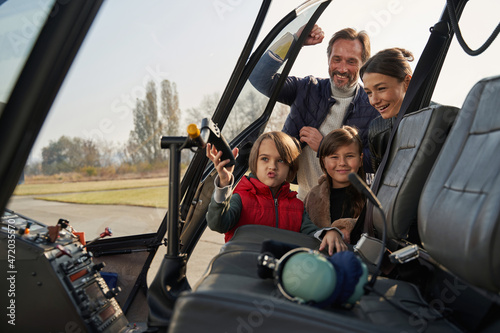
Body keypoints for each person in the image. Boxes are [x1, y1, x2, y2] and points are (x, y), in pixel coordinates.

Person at [250, 26, 379, 199]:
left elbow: (376, 161)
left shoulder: (373, 106)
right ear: (328, 59)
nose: (342, 68)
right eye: (337, 59)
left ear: (363, 64)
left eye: (351, 61)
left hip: (346, 206)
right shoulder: (307, 88)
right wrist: (295, 41)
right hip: (300, 199)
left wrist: (326, 147)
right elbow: (258, 76)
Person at [205, 131, 347, 254]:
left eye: (280, 160)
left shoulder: (297, 206)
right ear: (255, 162)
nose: (272, 166)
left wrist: (329, 232)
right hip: (242, 272)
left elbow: (311, 233)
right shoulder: (241, 198)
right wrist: (223, 183)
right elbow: (217, 224)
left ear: (290, 167)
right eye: (265, 159)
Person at [303, 126, 365, 244]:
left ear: (361, 159)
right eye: (334, 157)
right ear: (323, 161)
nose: (342, 163)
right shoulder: (313, 196)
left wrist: (348, 227)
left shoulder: (370, 195)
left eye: (349, 156)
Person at [360, 47, 414, 171]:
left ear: (407, 82)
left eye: (381, 89)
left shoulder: (440, 118)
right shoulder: (377, 131)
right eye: (368, 93)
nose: (374, 100)